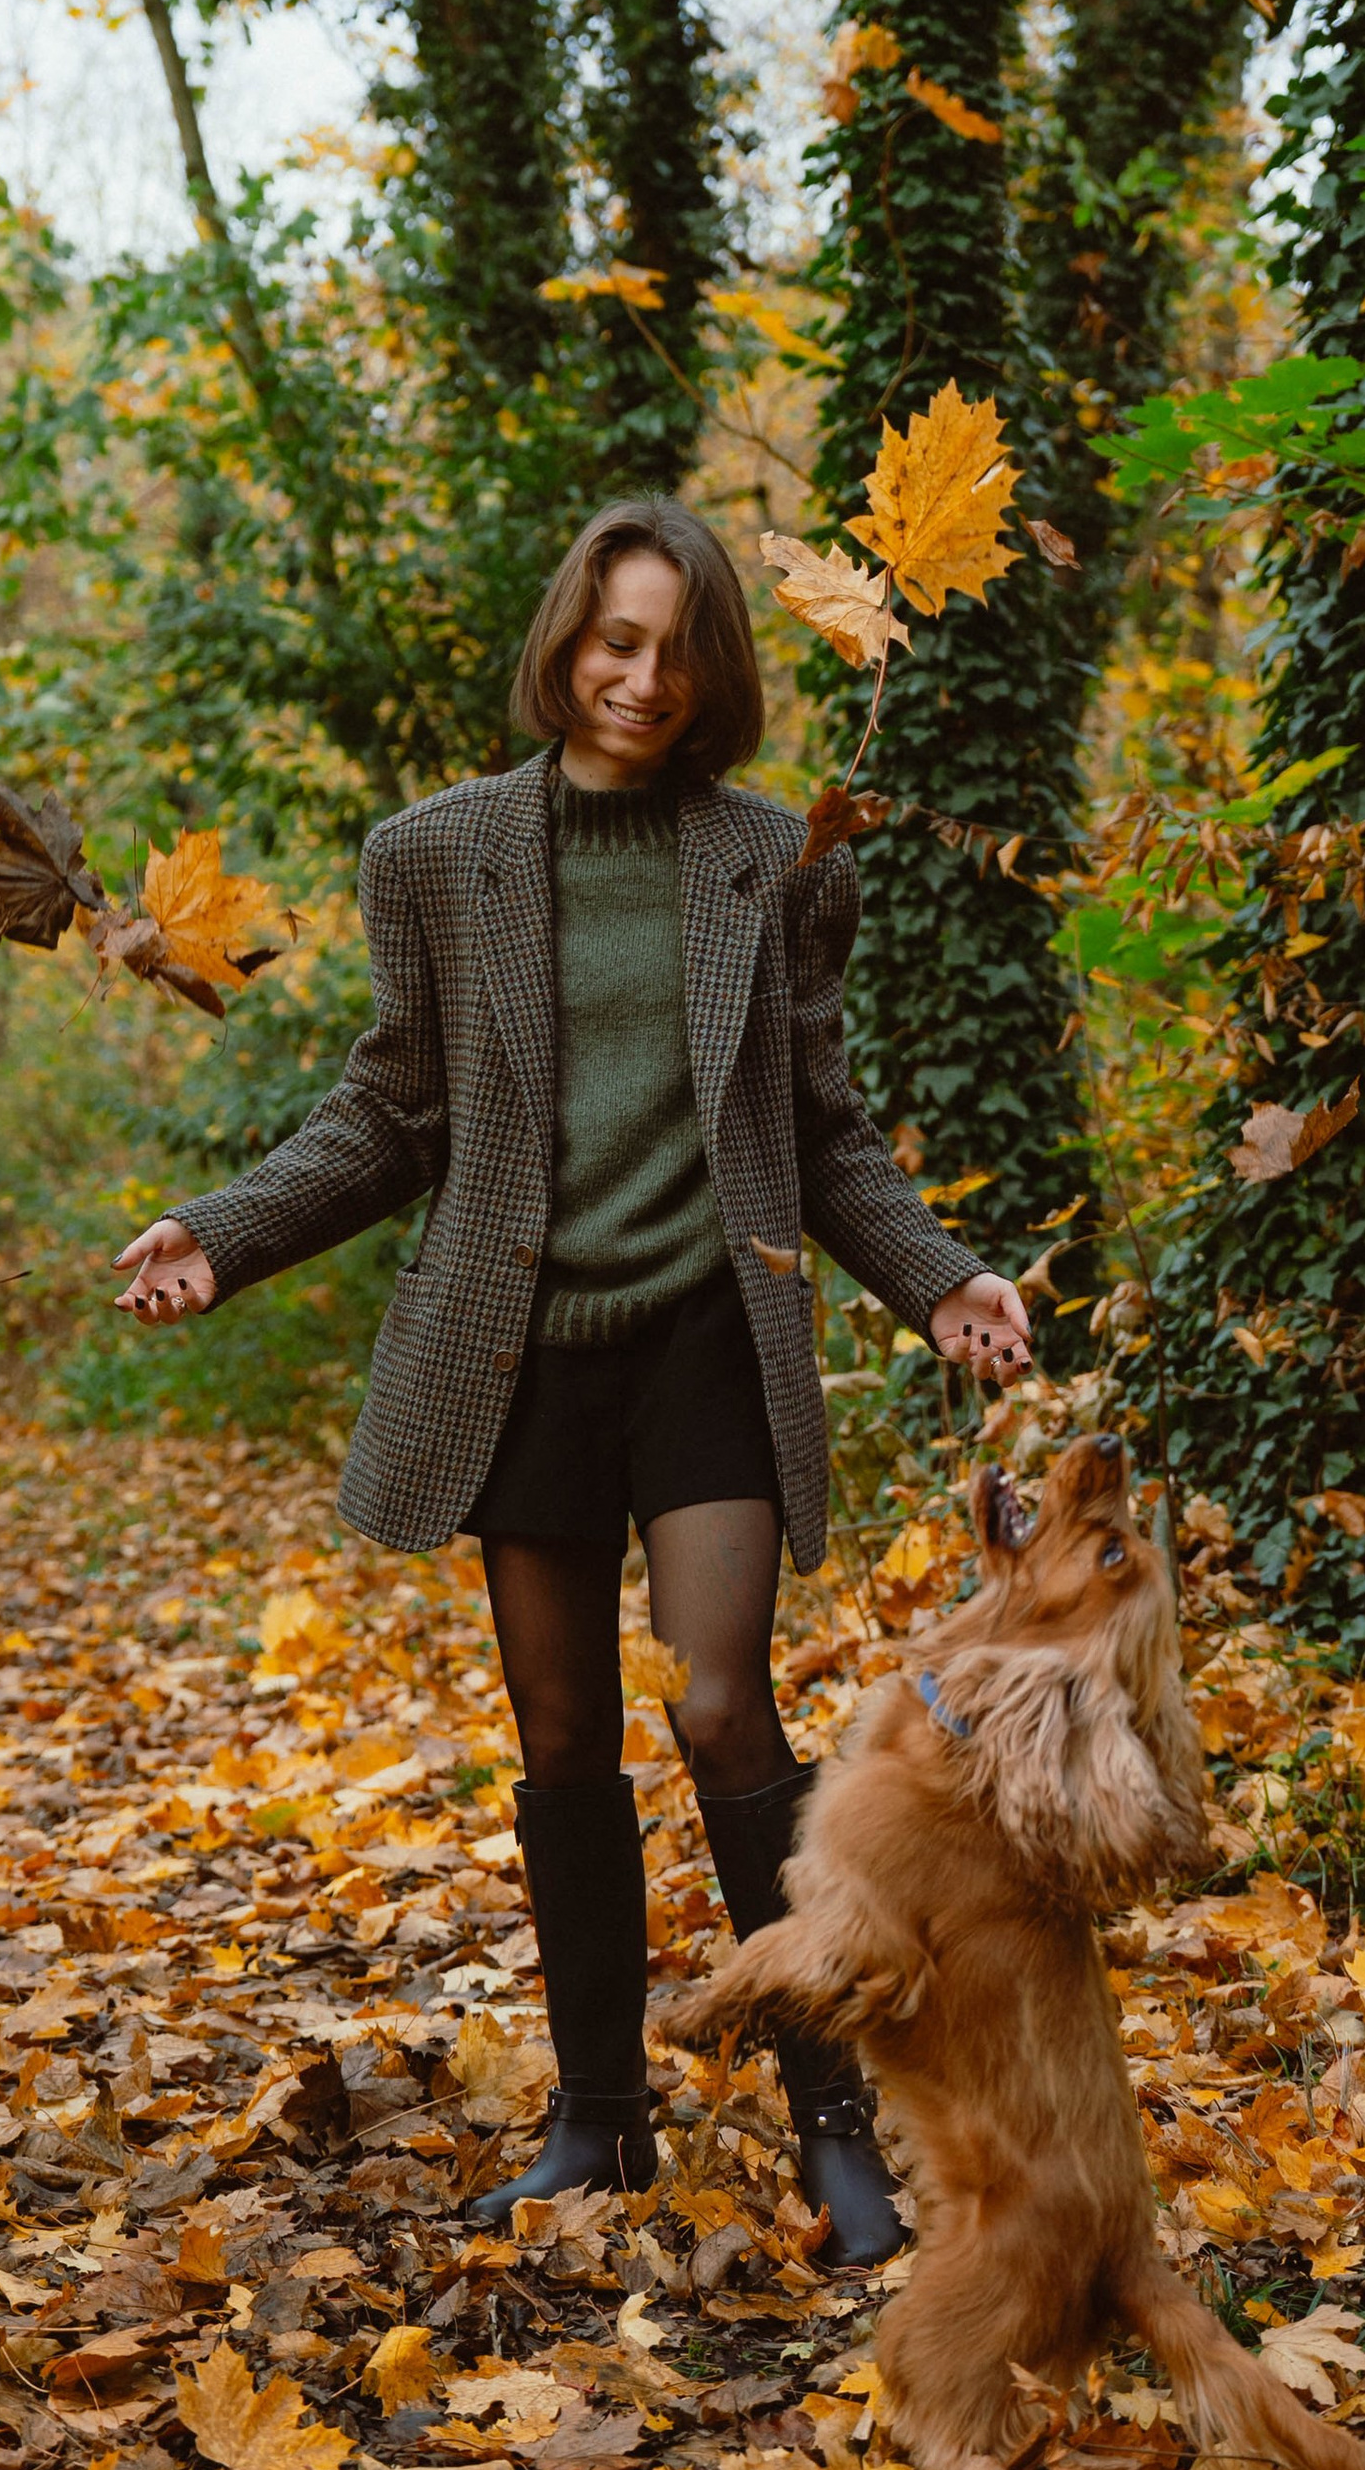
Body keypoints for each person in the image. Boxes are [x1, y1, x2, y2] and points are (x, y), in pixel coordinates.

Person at [112, 500, 1032, 2261]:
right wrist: (223, 1234)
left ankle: (831, 2116)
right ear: (566, 642)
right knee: (556, 1733)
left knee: (716, 1704)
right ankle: (598, 2114)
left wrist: (940, 1283)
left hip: (707, 1330)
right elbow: (392, 1111)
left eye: (675, 645)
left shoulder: (778, 861)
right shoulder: (437, 857)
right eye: (615, 638)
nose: (641, 675)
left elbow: (820, 1134)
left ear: (717, 670)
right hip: (517, 1347)